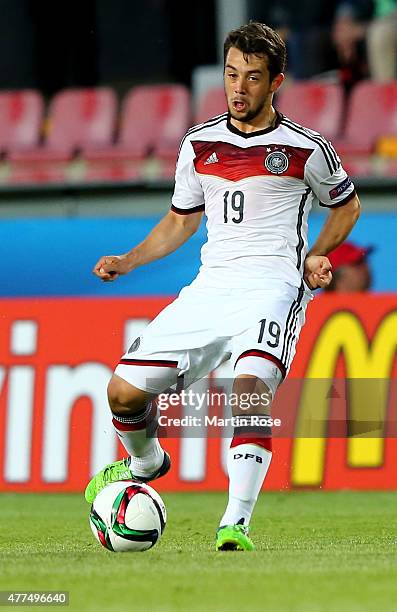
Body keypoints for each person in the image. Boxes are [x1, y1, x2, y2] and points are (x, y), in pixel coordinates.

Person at [84, 22, 360, 551]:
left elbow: (346, 203)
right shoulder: (198, 143)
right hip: (209, 291)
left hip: (272, 289)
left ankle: (235, 522)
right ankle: (146, 461)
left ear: (275, 81)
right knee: (122, 393)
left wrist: (318, 254)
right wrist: (129, 260)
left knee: (250, 393)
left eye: (252, 78)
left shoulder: (306, 148)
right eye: (232, 75)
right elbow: (180, 220)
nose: (239, 88)